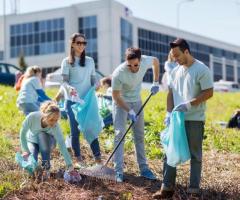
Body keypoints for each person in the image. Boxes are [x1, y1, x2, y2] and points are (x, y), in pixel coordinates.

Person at [153, 38, 213, 199]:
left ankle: (193, 191)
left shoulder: (201, 69)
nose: (175, 59)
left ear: (186, 52)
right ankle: (167, 188)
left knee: (195, 155)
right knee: (169, 152)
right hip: (176, 119)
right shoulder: (175, 71)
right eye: (173, 56)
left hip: (194, 119)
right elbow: (170, 93)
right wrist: (168, 113)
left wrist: (189, 104)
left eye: (178, 56)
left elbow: (209, 92)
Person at [111, 47, 160, 182]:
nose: (133, 68)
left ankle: (144, 169)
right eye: (129, 65)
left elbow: (156, 61)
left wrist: (156, 82)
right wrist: (129, 111)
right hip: (121, 103)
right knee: (119, 134)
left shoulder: (145, 61)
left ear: (140, 60)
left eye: (136, 65)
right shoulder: (119, 73)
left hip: (137, 101)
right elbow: (115, 96)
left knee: (139, 135)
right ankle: (118, 171)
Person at [61, 33, 101, 166]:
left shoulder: (90, 61)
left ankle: (98, 160)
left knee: (91, 129)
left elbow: (93, 79)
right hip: (72, 101)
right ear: (72, 44)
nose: (81, 45)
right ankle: (78, 160)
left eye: (84, 43)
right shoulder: (66, 62)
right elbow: (64, 82)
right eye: (79, 43)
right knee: (75, 130)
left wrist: (96, 84)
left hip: (88, 101)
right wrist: (70, 88)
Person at [19, 101, 74, 179]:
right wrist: (25, 150)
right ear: (45, 116)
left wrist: (69, 165)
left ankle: (46, 168)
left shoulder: (55, 126)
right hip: (32, 141)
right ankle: (33, 171)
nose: (54, 123)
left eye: (56, 120)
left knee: (42, 134)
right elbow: (23, 133)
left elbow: (62, 144)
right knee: (32, 161)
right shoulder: (32, 117)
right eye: (52, 120)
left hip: (48, 143)